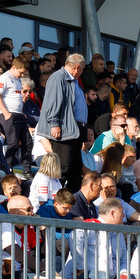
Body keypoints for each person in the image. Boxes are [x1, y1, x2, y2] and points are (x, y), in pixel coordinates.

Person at [39, 52, 88, 191]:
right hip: (63, 131)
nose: (82, 72)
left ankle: (70, 202)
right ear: (77, 67)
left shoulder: (72, 80)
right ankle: (56, 200)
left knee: (75, 170)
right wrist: (54, 124)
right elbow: (52, 103)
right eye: (82, 69)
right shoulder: (58, 78)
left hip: (74, 131)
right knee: (62, 169)